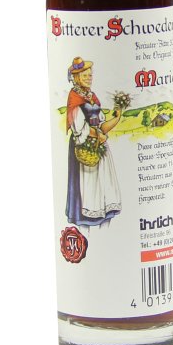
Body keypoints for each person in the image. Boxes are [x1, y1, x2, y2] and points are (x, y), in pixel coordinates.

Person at [65, 57, 122, 228]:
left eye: (90, 75)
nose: (89, 78)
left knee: (103, 187)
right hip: (84, 148)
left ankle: (105, 226)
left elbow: (101, 126)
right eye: (85, 75)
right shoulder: (75, 98)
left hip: (98, 147)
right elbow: (79, 128)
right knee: (88, 188)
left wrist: (117, 117)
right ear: (76, 78)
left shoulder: (91, 96)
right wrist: (98, 135)